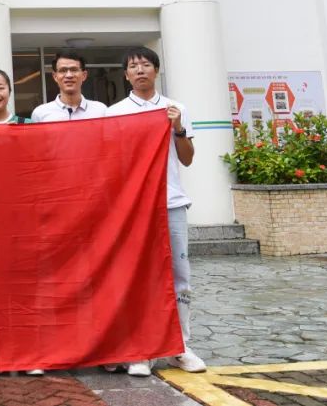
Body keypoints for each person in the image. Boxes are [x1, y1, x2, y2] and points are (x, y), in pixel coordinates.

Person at [106, 46, 207, 376]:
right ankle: (142, 348)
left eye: (146, 64)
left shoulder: (175, 109)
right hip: (135, 208)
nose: (140, 70)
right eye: (133, 66)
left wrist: (177, 129)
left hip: (172, 204)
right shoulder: (116, 112)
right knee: (140, 277)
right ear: (125, 75)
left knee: (180, 277)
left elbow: (188, 158)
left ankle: (179, 345)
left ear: (156, 70)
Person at [30, 50, 108, 123]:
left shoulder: (100, 111)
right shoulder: (40, 114)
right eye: (63, 70)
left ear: (84, 75)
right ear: (55, 76)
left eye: (74, 70)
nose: (69, 75)